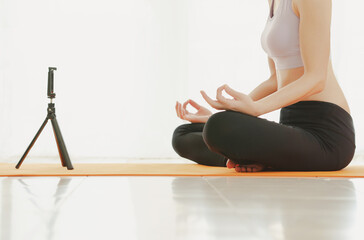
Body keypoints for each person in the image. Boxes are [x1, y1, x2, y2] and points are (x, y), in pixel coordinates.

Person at [172, 0, 356, 172]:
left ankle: (248, 156)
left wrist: (254, 109)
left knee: (217, 127)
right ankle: (253, 158)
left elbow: (316, 78)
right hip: (292, 125)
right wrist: (234, 110)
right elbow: (275, 80)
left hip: (326, 135)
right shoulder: (273, 2)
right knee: (183, 135)